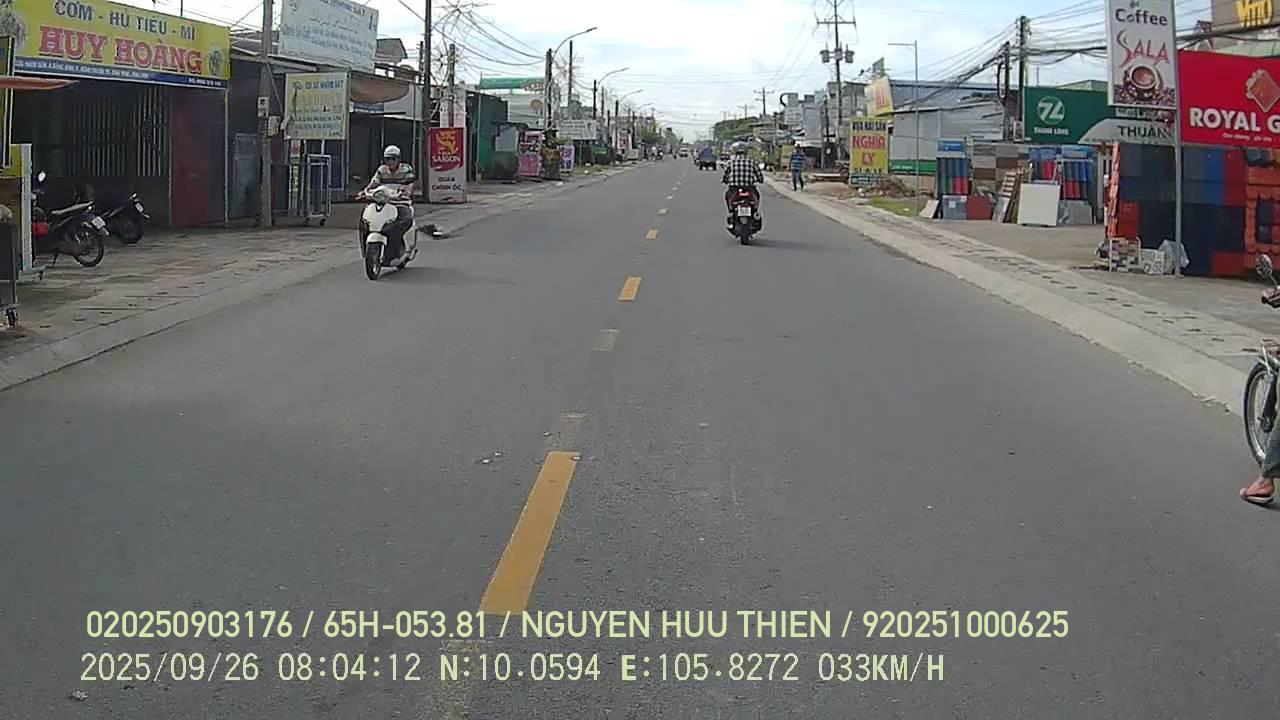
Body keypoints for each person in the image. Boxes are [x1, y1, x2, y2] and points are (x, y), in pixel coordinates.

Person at [362, 145, 416, 253]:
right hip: (383, 202)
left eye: (393, 159)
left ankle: (401, 246)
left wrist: (404, 192)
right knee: (365, 220)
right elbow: (374, 183)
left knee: (405, 219)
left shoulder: (406, 169)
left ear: (398, 159)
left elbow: (409, 185)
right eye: (388, 159)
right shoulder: (382, 170)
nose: (390, 162)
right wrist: (365, 191)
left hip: (400, 202)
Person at [721, 141, 763, 227]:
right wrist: (760, 180)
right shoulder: (752, 162)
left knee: (727, 196)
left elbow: (725, 175)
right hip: (749, 188)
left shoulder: (730, 163)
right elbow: (760, 176)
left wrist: (725, 180)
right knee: (757, 196)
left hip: (734, 189)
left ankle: (731, 212)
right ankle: (755, 212)